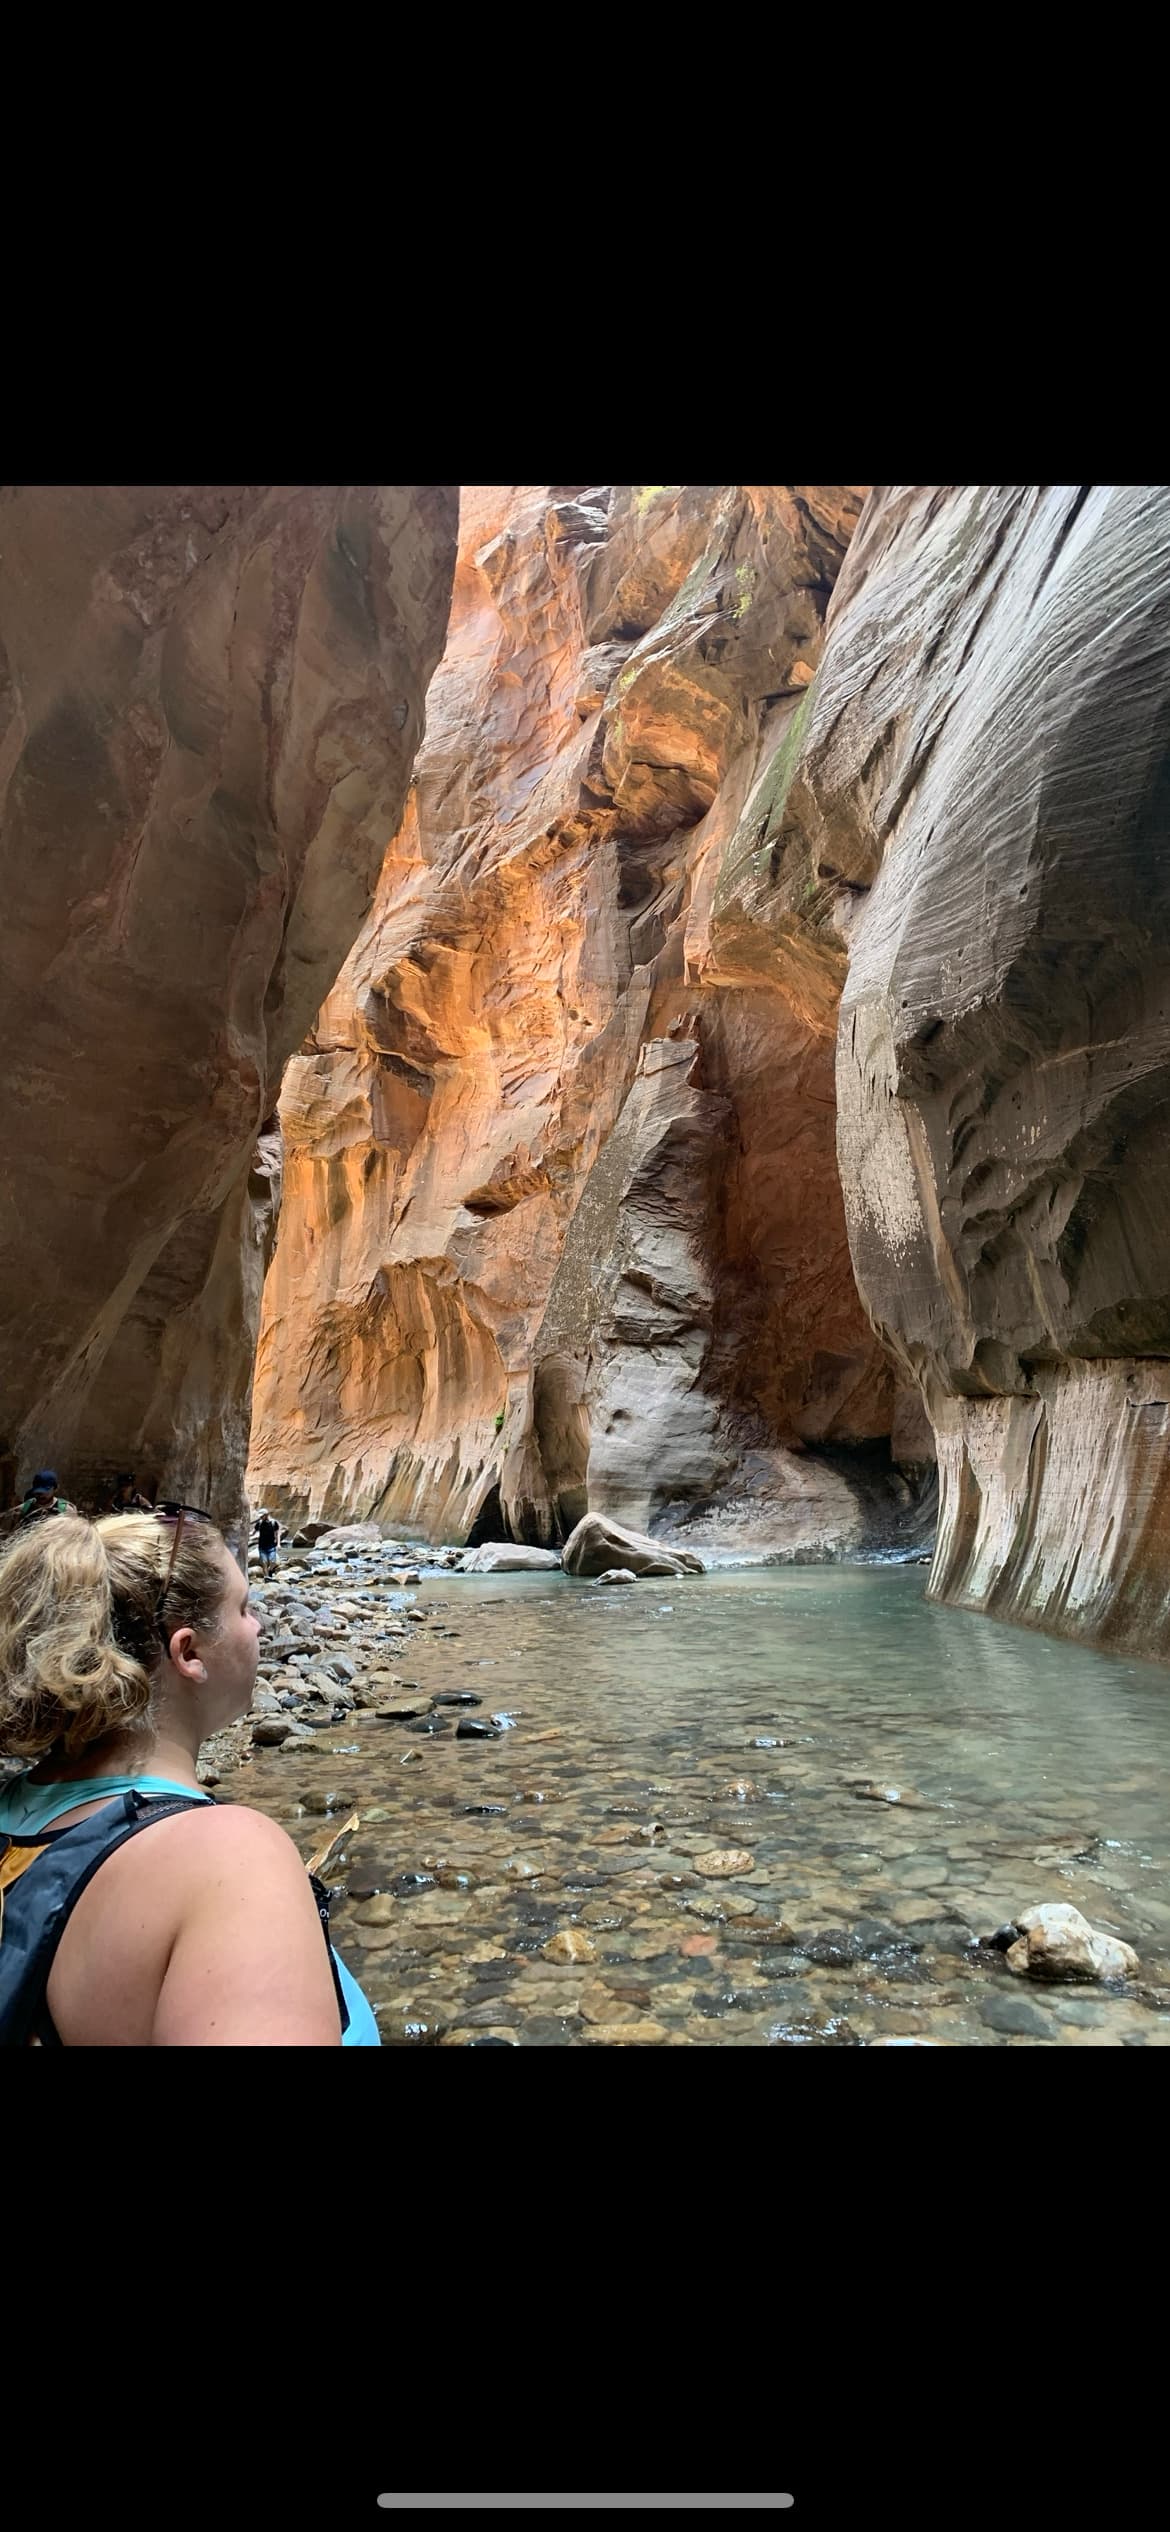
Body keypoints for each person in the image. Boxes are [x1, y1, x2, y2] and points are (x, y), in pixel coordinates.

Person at [0, 1506, 380, 2045]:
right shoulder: (229, 1860)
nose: (261, 1625)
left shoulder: (14, 1814)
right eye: (244, 1608)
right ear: (190, 1652)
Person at [256, 1510, 281, 1574]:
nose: (261, 1518)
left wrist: (278, 1544)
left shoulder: (273, 1523)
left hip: (271, 1546)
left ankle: (270, 1571)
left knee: (273, 1562)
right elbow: (253, 1533)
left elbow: (277, 1534)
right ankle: (266, 1578)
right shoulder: (259, 1523)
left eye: (262, 1516)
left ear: (266, 1515)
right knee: (264, 1563)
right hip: (262, 1546)